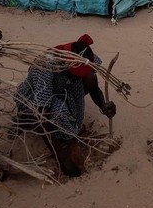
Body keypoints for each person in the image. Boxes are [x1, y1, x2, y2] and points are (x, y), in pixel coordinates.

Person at [14, 34, 116, 177]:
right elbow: (42, 118)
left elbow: (92, 85)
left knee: (74, 118)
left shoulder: (84, 56)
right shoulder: (45, 68)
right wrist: (63, 160)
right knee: (56, 114)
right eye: (78, 74)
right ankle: (24, 120)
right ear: (66, 66)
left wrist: (103, 104)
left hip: (62, 89)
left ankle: (67, 131)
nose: (83, 76)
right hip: (35, 98)